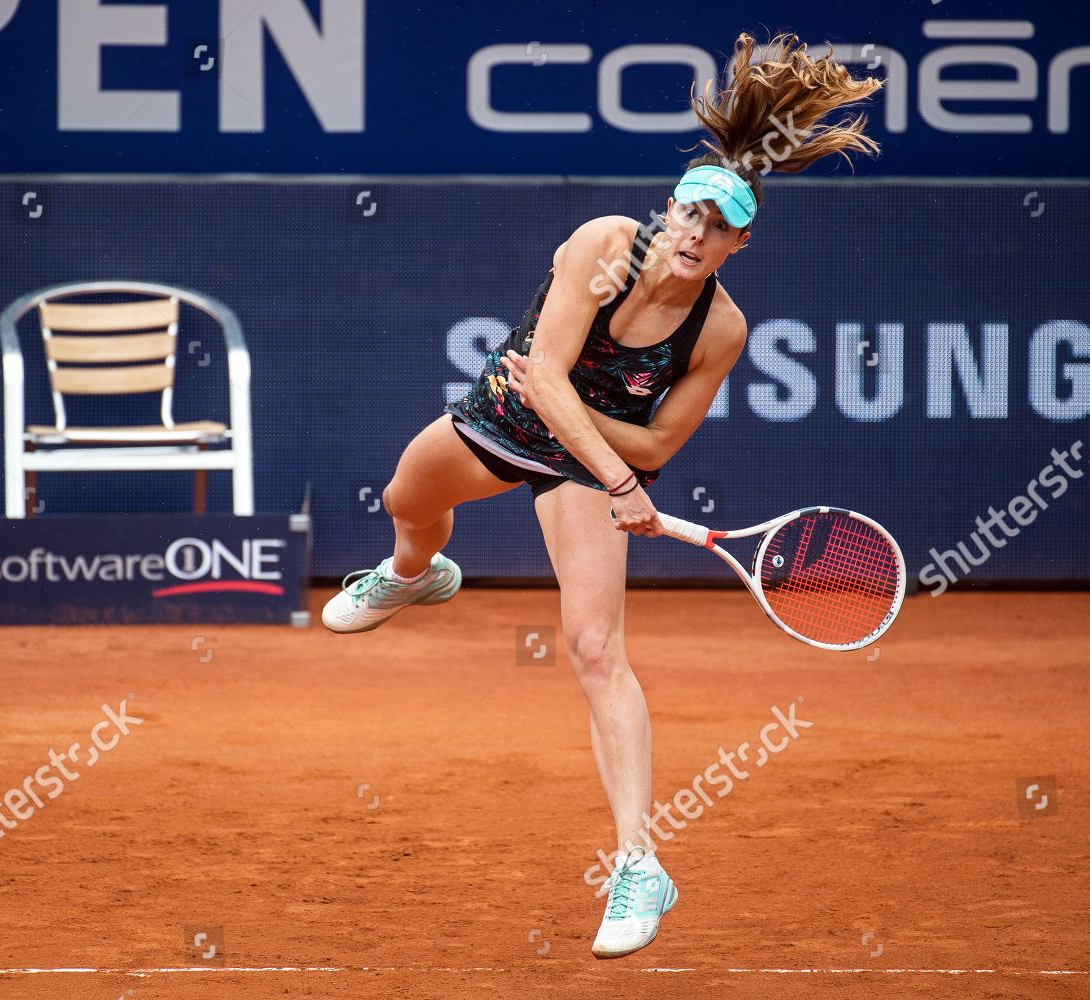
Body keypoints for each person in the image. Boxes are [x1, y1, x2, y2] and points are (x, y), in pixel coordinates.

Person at [322, 31, 882, 958]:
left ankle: (637, 864)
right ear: (669, 210)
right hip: (513, 418)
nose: (697, 235)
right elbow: (543, 374)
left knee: (594, 649)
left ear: (741, 243)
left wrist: (608, 466)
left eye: (721, 227)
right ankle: (414, 577)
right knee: (403, 504)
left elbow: (662, 437)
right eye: (691, 214)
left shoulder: (722, 329)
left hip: (588, 465)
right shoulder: (602, 244)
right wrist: (621, 470)